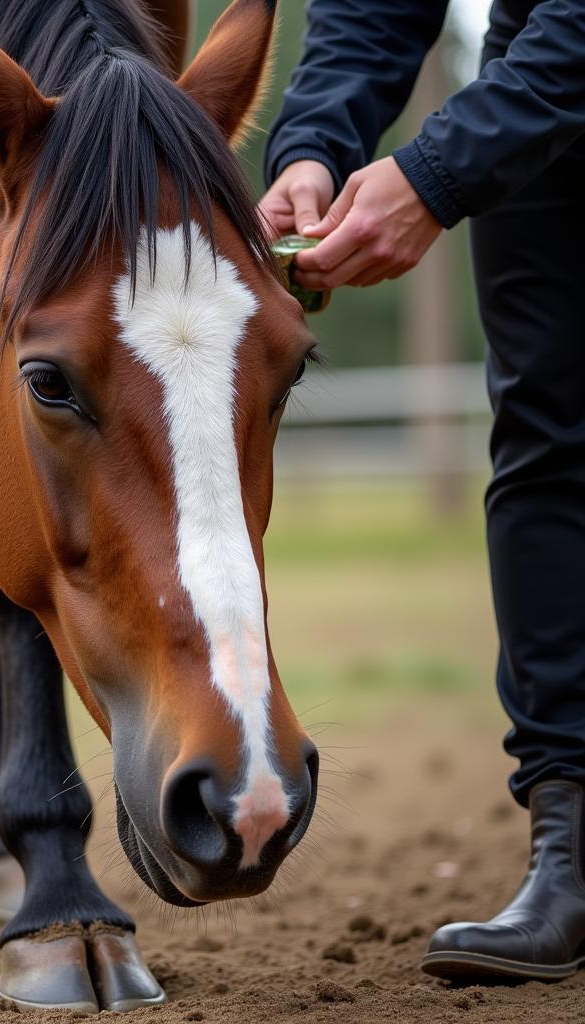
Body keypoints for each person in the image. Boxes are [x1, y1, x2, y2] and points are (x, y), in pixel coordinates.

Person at [259, 0, 585, 982]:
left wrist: (436, 171)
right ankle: (570, 849)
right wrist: (313, 144)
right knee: (545, 438)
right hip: (542, 68)